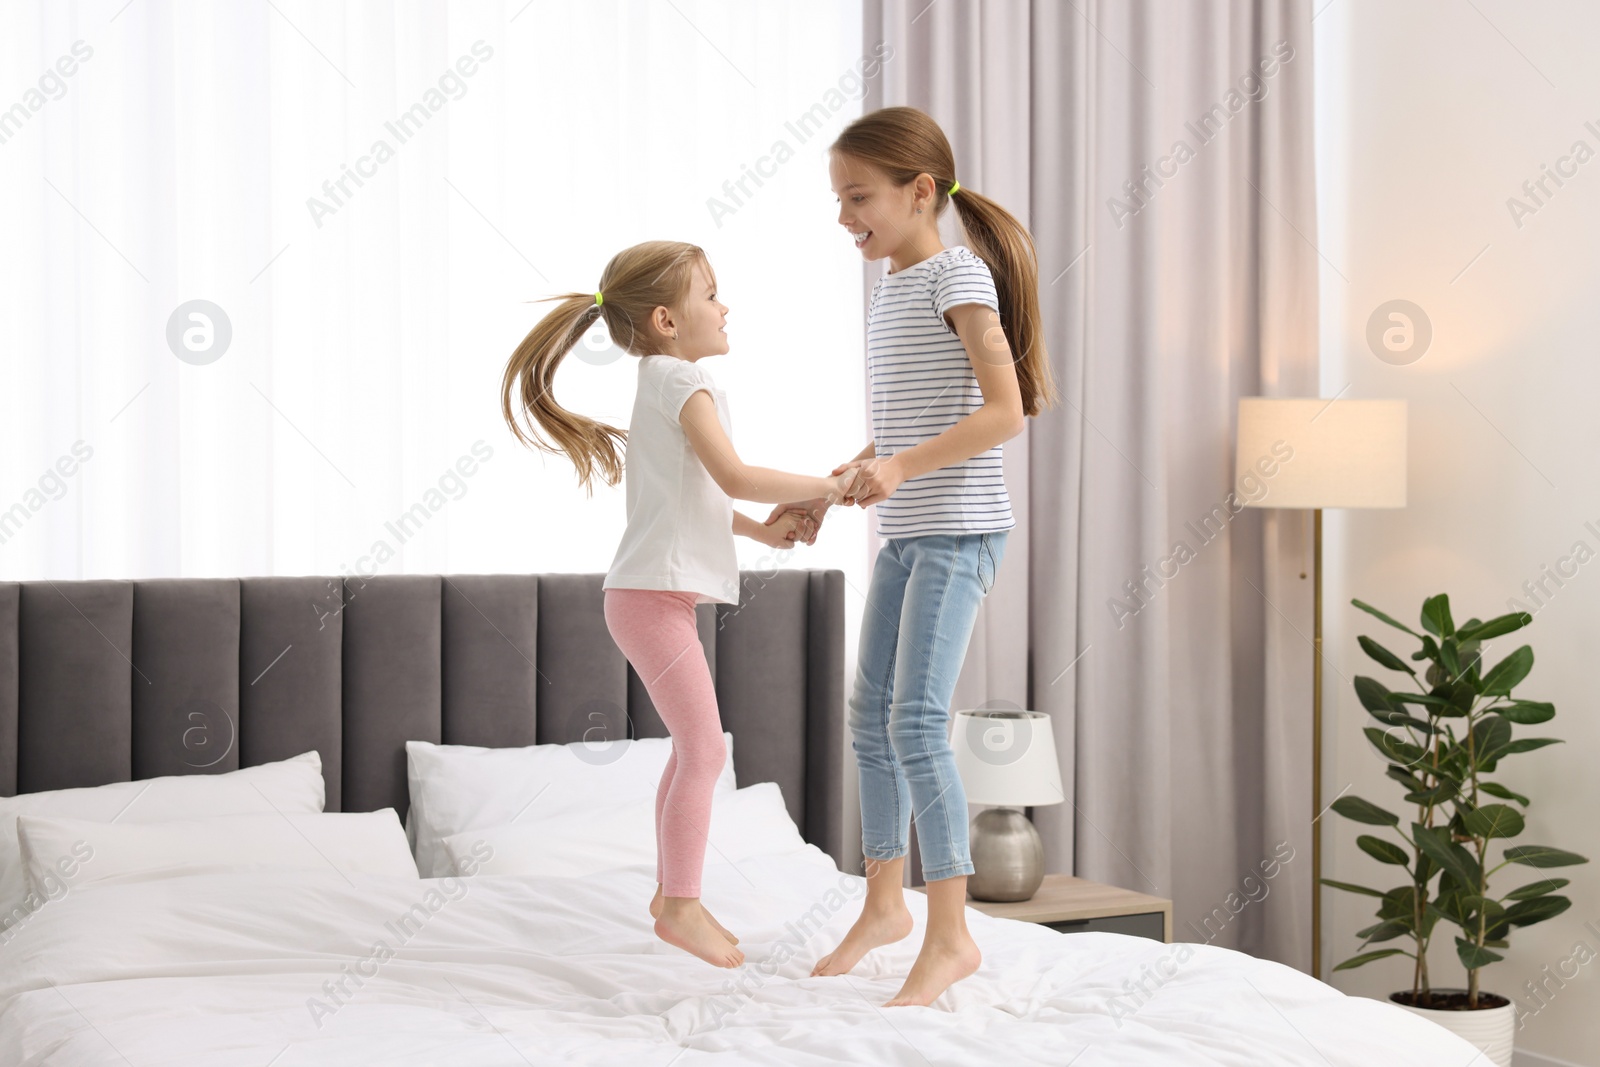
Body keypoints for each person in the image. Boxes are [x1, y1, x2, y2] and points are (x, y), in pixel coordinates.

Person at [501, 239, 859, 969]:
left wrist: (765, 528)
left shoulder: (663, 379)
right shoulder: (679, 380)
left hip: (649, 597)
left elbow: (695, 493)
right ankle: (683, 906)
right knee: (706, 750)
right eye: (712, 294)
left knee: (691, 751)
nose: (726, 307)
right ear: (667, 319)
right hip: (649, 601)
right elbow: (734, 472)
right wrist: (832, 484)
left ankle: (673, 896)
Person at [769, 106, 1058, 1007]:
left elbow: (1006, 414)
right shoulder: (893, 284)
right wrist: (850, 473)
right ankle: (884, 903)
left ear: (920, 191)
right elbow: (913, 419)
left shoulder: (959, 274)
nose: (843, 215)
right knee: (869, 718)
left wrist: (897, 465)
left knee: (915, 722)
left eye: (857, 197)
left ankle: (952, 933)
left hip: (961, 529)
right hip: (906, 531)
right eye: (838, 198)